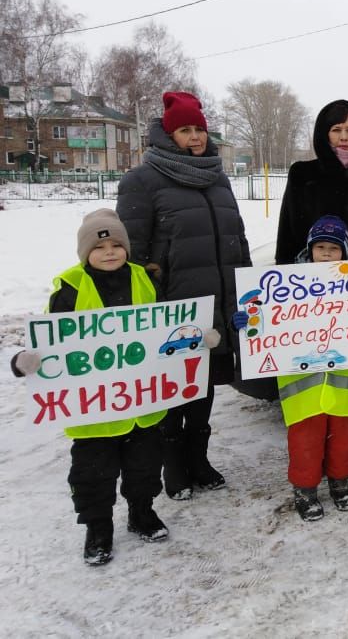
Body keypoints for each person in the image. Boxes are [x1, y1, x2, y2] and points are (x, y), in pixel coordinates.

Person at [10, 210, 217, 564]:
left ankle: (141, 512)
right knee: (94, 474)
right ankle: (98, 527)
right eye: (99, 245)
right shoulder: (71, 287)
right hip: (94, 413)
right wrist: (22, 362)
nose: (109, 251)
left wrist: (199, 338)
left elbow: (167, 327)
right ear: (84, 251)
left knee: (145, 466)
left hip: (144, 405)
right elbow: (51, 343)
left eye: (117, 244)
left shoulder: (145, 278)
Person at [117, 91, 251, 501]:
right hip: (171, 305)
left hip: (216, 302)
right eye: (184, 130)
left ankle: (199, 458)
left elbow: (236, 238)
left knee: (204, 384)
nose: (194, 137)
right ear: (167, 134)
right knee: (173, 388)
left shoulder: (217, 176)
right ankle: (173, 466)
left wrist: (243, 292)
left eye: (199, 129)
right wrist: (147, 300)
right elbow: (132, 253)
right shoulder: (141, 181)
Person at [267, 216, 348, 521]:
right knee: (305, 438)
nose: (325, 253)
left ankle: (341, 483)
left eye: (333, 248)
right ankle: (305, 489)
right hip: (305, 382)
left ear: (344, 252)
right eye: (319, 247)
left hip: (346, 380)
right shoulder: (288, 284)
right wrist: (249, 321)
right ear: (309, 249)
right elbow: (264, 314)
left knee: (343, 437)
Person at [275, 99, 348, 264]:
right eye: (336, 130)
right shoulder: (303, 174)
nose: (343, 137)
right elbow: (288, 234)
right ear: (325, 134)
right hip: (314, 279)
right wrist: (284, 269)